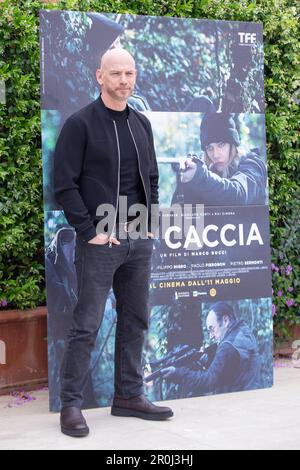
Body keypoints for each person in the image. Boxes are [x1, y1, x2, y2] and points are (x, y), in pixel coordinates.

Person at [53, 48, 173, 438]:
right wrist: (90, 231)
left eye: (130, 73)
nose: (124, 80)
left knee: (136, 320)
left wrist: (150, 220)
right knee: (86, 325)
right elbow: (64, 186)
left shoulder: (142, 124)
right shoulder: (79, 125)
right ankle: (71, 404)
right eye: (116, 73)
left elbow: (151, 177)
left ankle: (128, 396)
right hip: (100, 241)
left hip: (138, 239)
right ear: (99, 76)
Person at [160, 302, 262, 395]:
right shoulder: (243, 331)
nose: (211, 336)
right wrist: (208, 360)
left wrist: (177, 373)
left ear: (225, 321)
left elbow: (208, 382)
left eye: (212, 329)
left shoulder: (227, 346)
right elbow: (232, 371)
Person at [171, 112, 267, 206]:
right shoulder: (209, 173)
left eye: (221, 145)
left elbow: (237, 196)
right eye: (209, 148)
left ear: (232, 145)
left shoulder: (253, 165)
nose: (215, 155)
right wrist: (186, 182)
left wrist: (199, 176)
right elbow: (183, 215)